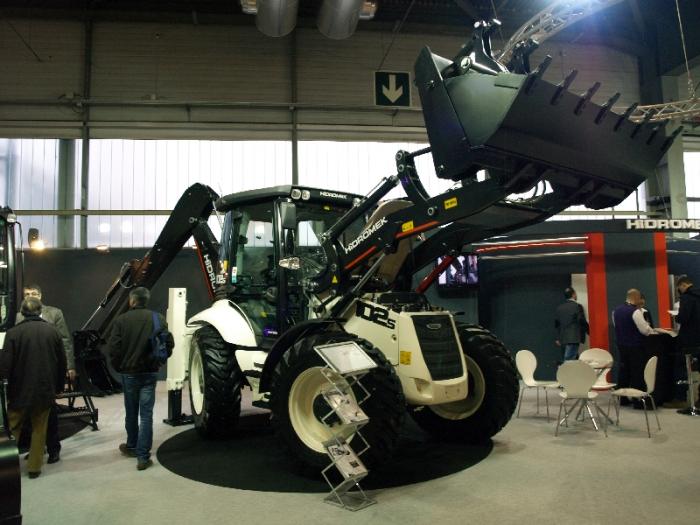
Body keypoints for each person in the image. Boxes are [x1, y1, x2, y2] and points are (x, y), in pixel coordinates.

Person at [0, 297, 66, 478]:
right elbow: (61, 362)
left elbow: (5, 364)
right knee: (39, 428)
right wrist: (59, 387)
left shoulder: (13, 333)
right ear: (40, 311)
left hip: (18, 390)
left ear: (22, 312)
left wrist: (4, 386)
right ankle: (34, 468)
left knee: (12, 427)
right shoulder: (52, 331)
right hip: (44, 389)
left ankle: (6, 465)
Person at [108, 287, 168, 471]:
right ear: (146, 300)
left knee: (131, 411)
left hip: (129, 373)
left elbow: (114, 349)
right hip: (150, 373)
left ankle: (132, 446)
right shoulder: (158, 318)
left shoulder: (121, 320)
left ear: (131, 301)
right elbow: (168, 343)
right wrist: (159, 362)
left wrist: (120, 368)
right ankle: (143, 457)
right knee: (147, 415)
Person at [16, 284, 75, 464]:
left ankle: (53, 448)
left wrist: (69, 366)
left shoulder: (55, 313)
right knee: (29, 414)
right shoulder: (19, 315)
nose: (30, 296)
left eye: (33, 293)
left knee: (50, 411)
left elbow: (65, 340)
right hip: (27, 369)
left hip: (50, 367)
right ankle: (37, 448)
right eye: (27, 294)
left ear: (40, 295)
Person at [612, 288, 655, 401]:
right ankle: (637, 400)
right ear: (636, 297)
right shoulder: (635, 311)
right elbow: (645, 330)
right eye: (640, 298)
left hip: (621, 345)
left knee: (624, 372)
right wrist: (652, 330)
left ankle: (622, 399)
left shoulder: (616, 311)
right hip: (636, 346)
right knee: (637, 373)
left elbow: (617, 327)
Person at [675, 275, 700, 405]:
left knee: (682, 365)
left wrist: (676, 317)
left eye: (679, 288)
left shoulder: (686, 298)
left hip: (689, 339)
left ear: (683, 285)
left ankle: (681, 398)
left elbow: (683, 317)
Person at [555, 287, 588, 361]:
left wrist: (558, 338)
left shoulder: (559, 308)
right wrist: (590, 331)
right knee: (569, 360)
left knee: (572, 358)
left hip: (563, 339)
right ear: (573, 294)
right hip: (573, 338)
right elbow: (581, 320)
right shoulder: (577, 306)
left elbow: (557, 324)